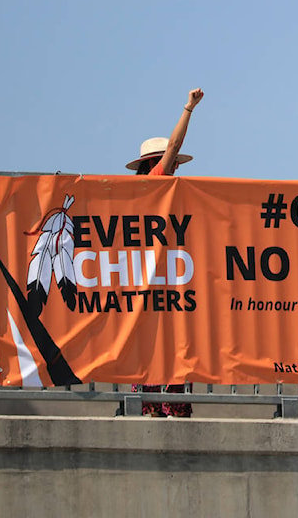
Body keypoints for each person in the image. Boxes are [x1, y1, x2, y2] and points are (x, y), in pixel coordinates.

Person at [124, 87, 204, 417]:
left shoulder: (137, 195)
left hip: (155, 281)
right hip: (159, 283)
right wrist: (189, 109)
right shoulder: (156, 184)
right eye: (169, 165)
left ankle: (153, 409)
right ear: (156, 166)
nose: (174, 169)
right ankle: (165, 408)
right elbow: (174, 147)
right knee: (167, 349)